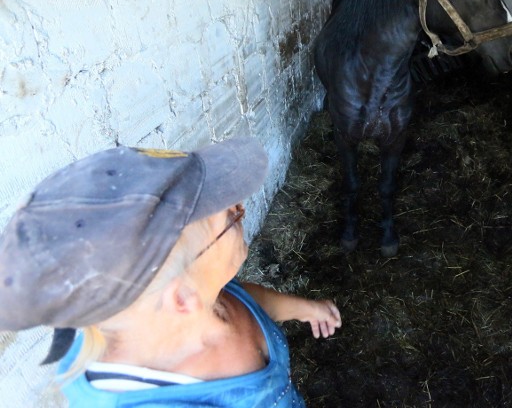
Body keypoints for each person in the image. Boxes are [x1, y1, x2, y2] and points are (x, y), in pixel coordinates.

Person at [0, 137, 341, 407]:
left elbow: (240, 300)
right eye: (231, 219)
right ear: (182, 298)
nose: (241, 207)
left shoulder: (186, 299)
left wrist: (305, 309)